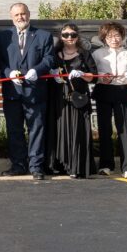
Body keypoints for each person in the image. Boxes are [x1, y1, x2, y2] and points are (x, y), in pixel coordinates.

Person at [0, 2, 55, 180]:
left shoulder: (43, 35)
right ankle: (18, 165)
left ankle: (36, 166)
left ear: (29, 14)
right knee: (14, 130)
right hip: (12, 92)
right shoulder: (4, 36)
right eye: (16, 15)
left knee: (36, 129)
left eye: (23, 14)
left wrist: (36, 70)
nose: (20, 17)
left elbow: (49, 58)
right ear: (11, 17)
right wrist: (8, 72)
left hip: (35, 92)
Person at [44, 23, 96, 178]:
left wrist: (82, 74)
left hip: (78, 96)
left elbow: (93, 76)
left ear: (77, 36)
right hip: (58, 96)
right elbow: (46, 70)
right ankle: (58, 165)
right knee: (58, 130)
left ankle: (76, 167)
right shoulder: (54, 53)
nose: (69, 38)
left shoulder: (85, 54)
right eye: (66, 35)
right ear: (61, 37)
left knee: (77, 130)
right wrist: (53, 74)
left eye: (73, 35)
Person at [92, 21, 127, 179]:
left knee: (125, 129)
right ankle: (106, 165)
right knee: (104, 129)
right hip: (104, 91)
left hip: (123, 90)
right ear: (104, 38)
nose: (114, 39)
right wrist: (101, 78)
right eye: (110, 36)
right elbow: (92, 74)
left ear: (122, 37)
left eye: (117, 35)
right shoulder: (97, 54)